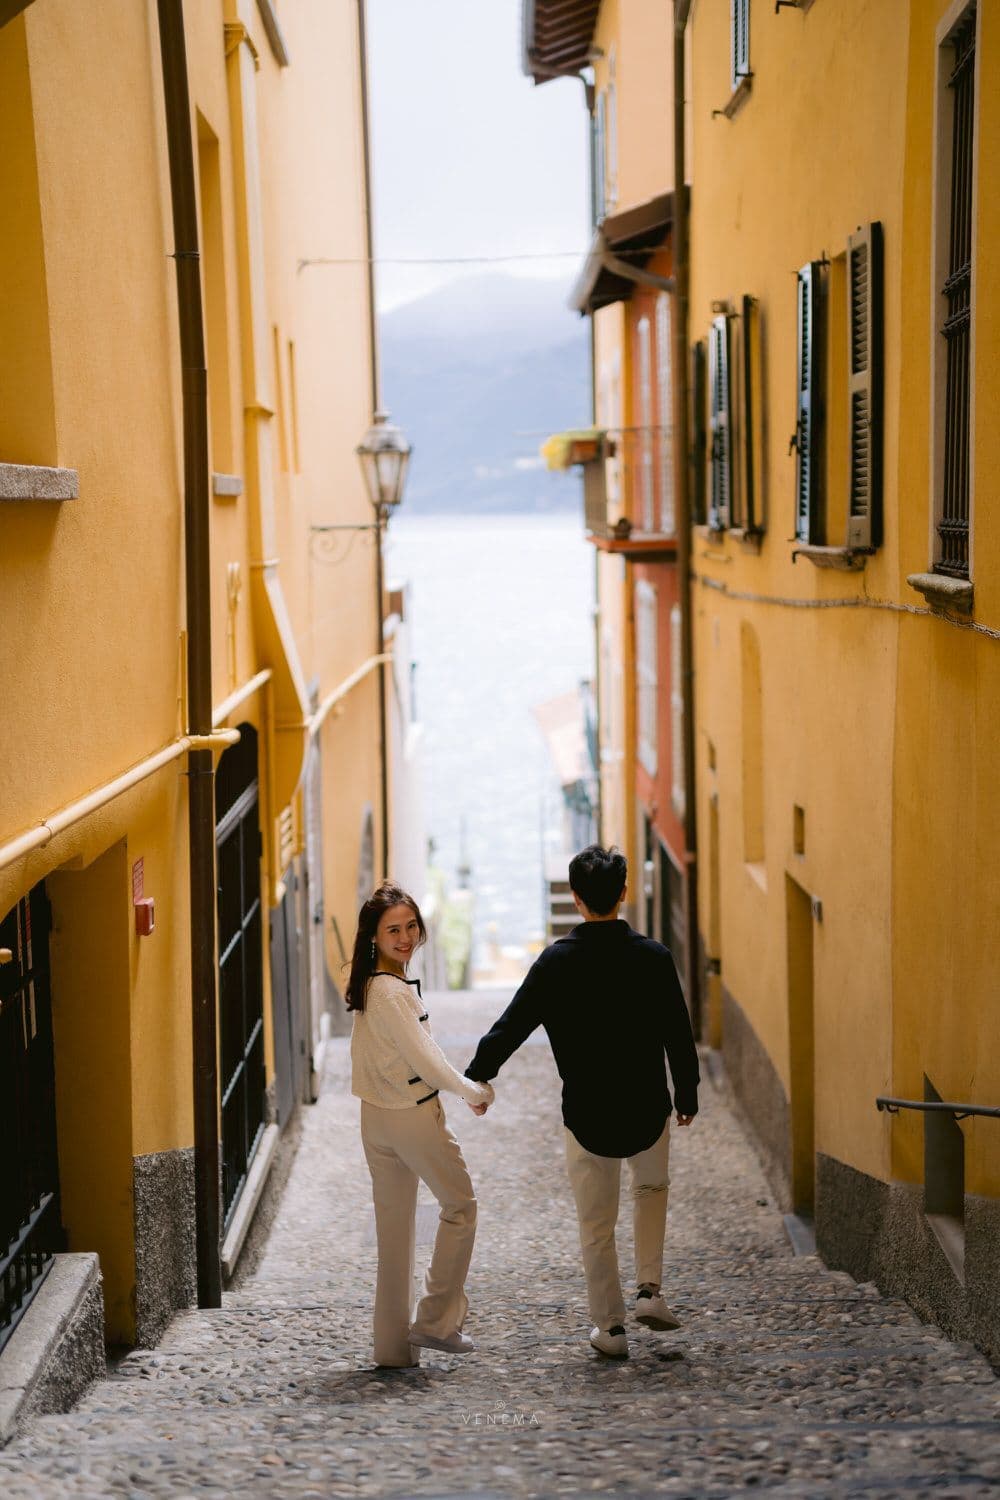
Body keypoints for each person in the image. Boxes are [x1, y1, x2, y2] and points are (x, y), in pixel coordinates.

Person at [465, 844, 699, 1359]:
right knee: (651, 1188)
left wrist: (476, 1078)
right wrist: (687, 1094)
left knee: (596, 1223)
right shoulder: (654, 958)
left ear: (575, 898)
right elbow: (679, 1035)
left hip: (587, 1114)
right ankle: (649, 1290)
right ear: (623, 893)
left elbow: (511, 1026)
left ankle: (610, 1328)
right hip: (647, 1108)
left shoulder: (556, 963)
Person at [348, 882, 494, 1368]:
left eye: (411, 926)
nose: (406, 936)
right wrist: (473, 1092)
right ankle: (435, 1322)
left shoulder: (371, 985)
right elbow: (426, 1060)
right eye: (394, 929)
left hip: (376, 1120)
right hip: (411, 1117)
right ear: (374, 936)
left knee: (394, 1237)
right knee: (461, 1207)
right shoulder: (389, 992)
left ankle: (392, 1350)